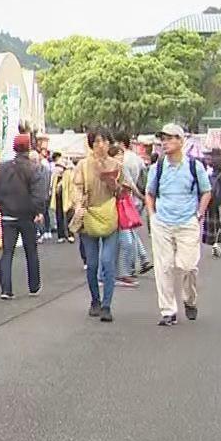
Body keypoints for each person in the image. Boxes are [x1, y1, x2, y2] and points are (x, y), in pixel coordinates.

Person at [145, 124, 211, 327]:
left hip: (187, 221)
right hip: (162, 222)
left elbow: (206, 191)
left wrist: (199, 214)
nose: (165, 142)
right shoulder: (158, 167)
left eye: (169, 138)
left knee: (188, 266)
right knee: (163, 267)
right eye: (162, 139)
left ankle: (189, 299)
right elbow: (150, 193)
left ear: (181, 141)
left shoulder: (194, 166)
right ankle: (168, 311)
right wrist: (152, 215)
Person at [72, 133, 126, 322]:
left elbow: (123, 192)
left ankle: (106, 305)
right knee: (92, 263)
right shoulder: (83, 165)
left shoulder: (117, 165)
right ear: (91, 144)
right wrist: (78, 205)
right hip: (89, 216)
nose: (100, 145)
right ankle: (95, 299)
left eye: (104, 141)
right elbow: (76, 188)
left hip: (110, 215)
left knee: (107, 261)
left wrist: (115, 185)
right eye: (96, 141)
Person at [0, 134, 49, 300]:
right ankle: (34, 286)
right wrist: (38, 211)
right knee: (31, 250)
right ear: (29, 148)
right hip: (27, 216)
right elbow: (39, 194)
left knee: (7, 252)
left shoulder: (2, 168)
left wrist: (1, 207)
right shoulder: (33, 168)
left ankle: (6, 289)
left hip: (8, 215)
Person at [118, 135, 152, 279]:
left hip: (128, 200)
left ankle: (133, 265)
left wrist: (139, 195)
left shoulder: (123, 160)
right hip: (136, 201)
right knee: (131, 231)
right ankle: (141, 259)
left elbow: (129, 183)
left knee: (127, 233)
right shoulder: (138, 159)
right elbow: (144, 178)